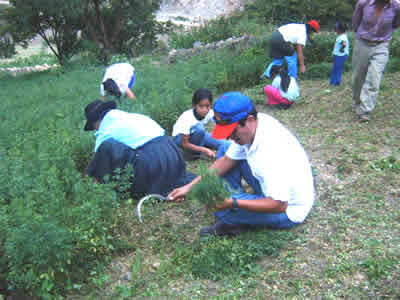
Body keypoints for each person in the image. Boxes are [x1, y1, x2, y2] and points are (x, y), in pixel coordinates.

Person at [168, 92, 315, 237]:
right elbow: (226, 160)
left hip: (288, 209)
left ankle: (232, 217)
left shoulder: (269, 150)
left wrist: (233, 203)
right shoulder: (256, 124)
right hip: (274, 190)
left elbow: (279, 204)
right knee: (226, 148)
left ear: (249, 119)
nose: (229, 136)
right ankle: (234, 206)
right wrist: (190, 187)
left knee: (224, 210)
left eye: (232, 131)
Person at [83, 100, 195, 197]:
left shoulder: (104, 128)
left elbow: (98, 156)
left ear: (96, 121)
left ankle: (100, 187)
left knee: (106, 146)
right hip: (173, 155)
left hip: (154, 160)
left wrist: (87, 178)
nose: (95, 130)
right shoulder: (129, 116)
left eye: (94, 127)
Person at [352, 0, 400, 122]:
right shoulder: (363, 3)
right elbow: (355, 24)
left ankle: (365, 110)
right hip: (362, 43)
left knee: (374, 77)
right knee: (358, 77)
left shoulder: (396, 6)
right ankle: (357, 102)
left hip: (381, 45)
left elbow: (396, 24)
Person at [172, 88, 227, 160]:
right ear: (194, 105)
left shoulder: (210, 113)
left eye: (207, 106)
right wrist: (204, 150)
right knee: (200, 129)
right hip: (180, 140)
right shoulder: (187, 118)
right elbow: (184, 143)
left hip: (198, 135)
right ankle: (193, 154)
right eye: (201, 106)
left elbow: (221, 124)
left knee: (226, 144)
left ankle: (200, 147)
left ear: (211, 105)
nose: (204, 110)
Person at [330, 22, 350, 86]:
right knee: (335, 68)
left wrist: (342, 48)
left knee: (338, 69)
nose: (335, 30)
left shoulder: (342, 37)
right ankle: (333, 81)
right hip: (338, 55)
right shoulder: (343, 35)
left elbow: (344, 44)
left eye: (336, 29)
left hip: (340, 55)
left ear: (340, 30)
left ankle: (336, 82)